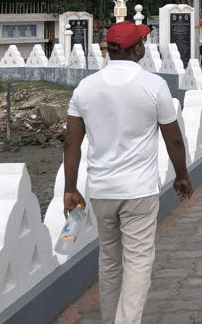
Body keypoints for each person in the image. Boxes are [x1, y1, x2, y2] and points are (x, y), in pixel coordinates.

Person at [63, 20, 193, 324]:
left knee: (109, 261)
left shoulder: (85, 88)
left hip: (101, 191)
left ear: (109, 49)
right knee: (137, 263)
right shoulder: (153, 85)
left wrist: (70, 188)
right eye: (142, 43)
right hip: (139, 192)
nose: (143, 47)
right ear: (136, 49)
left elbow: (71, 142)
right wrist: (182, 175)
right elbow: (173, 138)